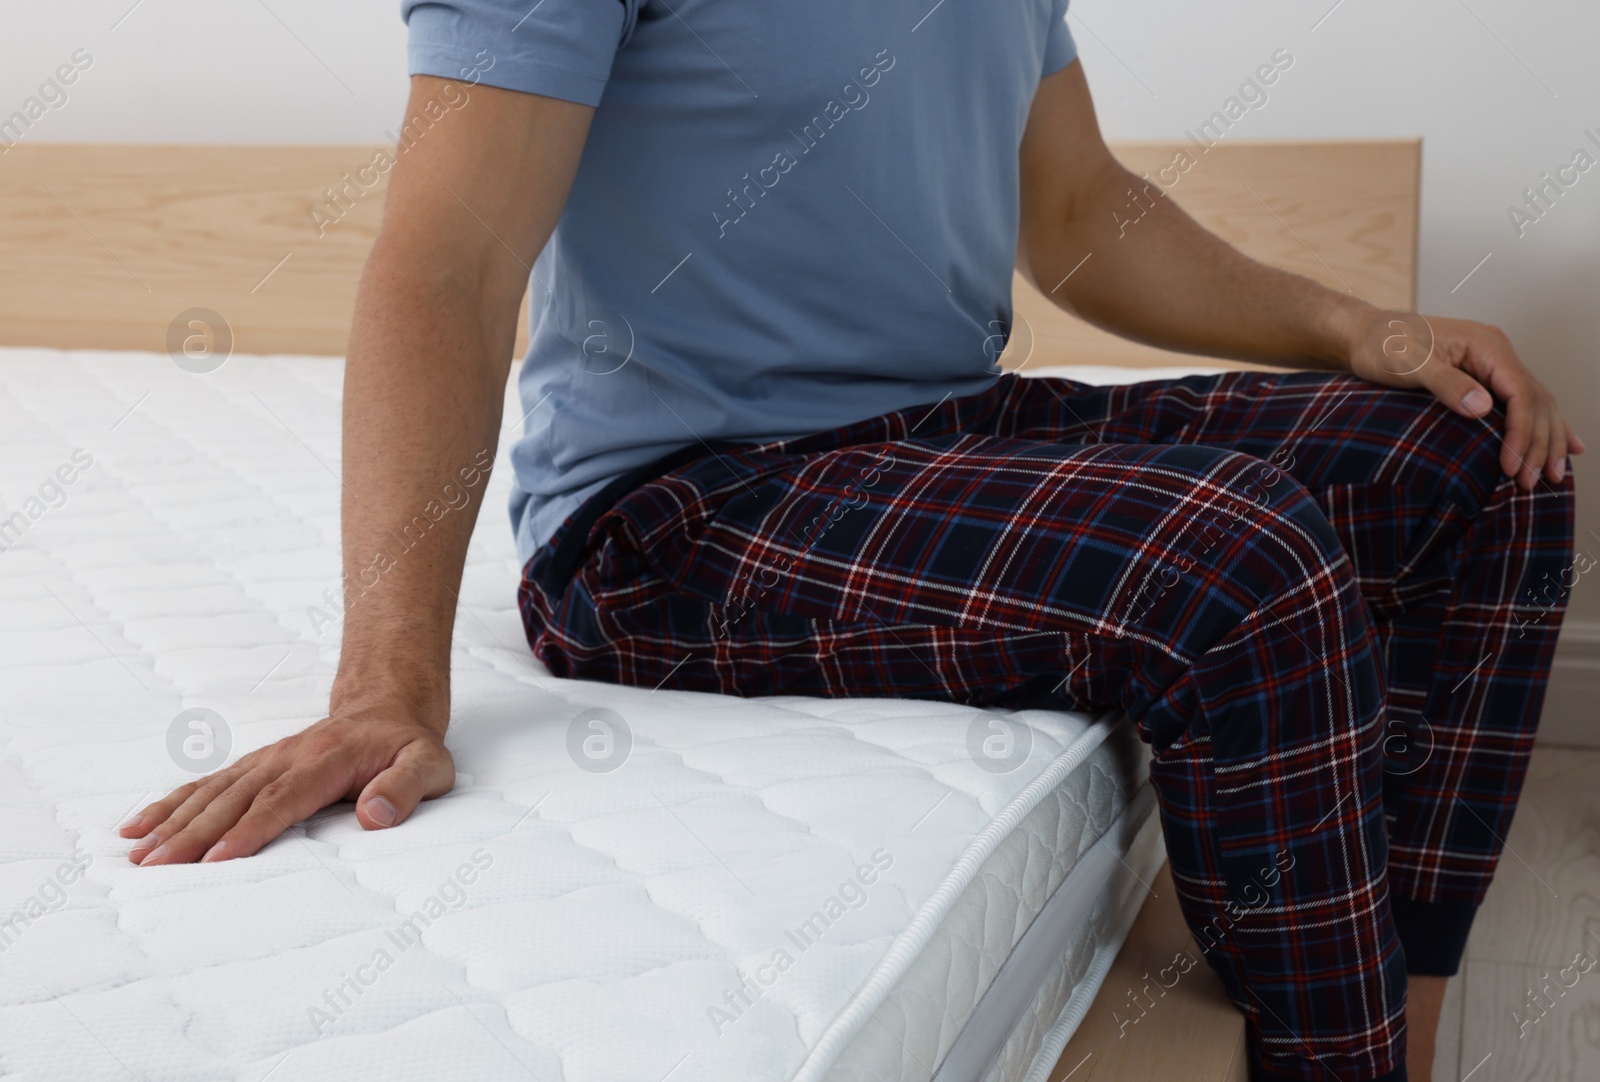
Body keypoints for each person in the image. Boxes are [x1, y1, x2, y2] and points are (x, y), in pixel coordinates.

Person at [118, 2, 1582, 1079]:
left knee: (1477, 456)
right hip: (676, 511)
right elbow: (447, 259)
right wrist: (386, 685)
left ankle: (1407, 1022)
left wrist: (1359, 331)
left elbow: (1078, 214)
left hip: (938, 425)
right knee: (1243, 562)